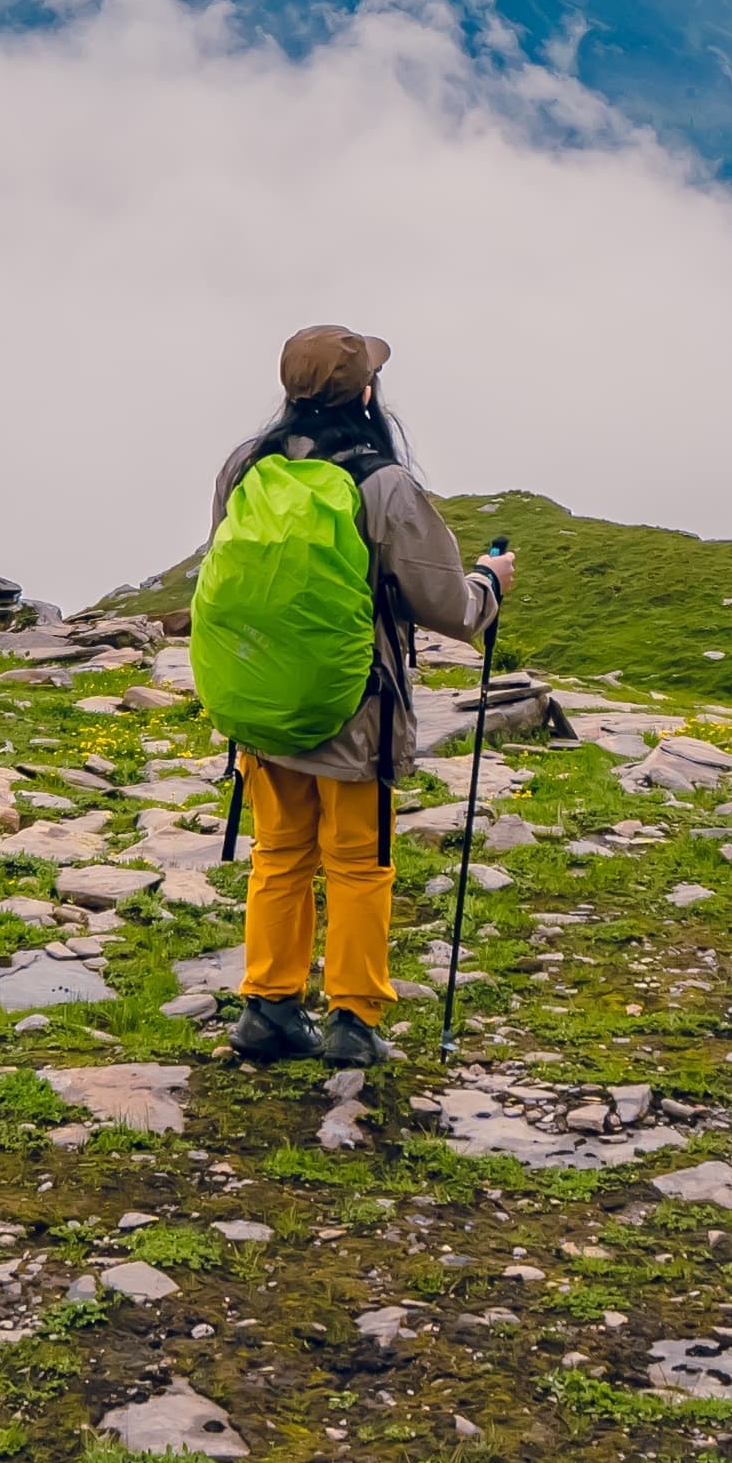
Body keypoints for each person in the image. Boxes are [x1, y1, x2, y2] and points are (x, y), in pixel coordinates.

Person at [209, 324, 508, 1069]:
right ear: (367, 393)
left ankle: (267, 1008)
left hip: (263, 698)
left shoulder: (246, 466)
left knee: (279, 854)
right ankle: (353, 1017)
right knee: (358, 862)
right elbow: (447, 605)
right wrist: (490, 584)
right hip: (355, 710)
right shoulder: (382, 482)